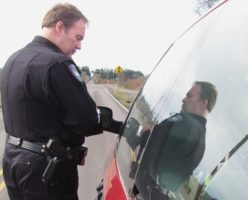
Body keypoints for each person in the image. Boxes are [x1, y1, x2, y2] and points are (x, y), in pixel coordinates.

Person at [0, 3, 122, 200]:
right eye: (78, 37)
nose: (79, 46)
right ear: (59, 27)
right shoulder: (57, 64)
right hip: (46, 169)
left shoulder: (13, 60)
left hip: (12, 162)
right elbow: (86, 120)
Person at [131, 81, 217, 199]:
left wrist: (142, 133)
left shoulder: (185, 123)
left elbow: (151, 141)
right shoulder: (201, 141)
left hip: (144, 191)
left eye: (189, 95)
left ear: (204, 102)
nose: (183, 99)